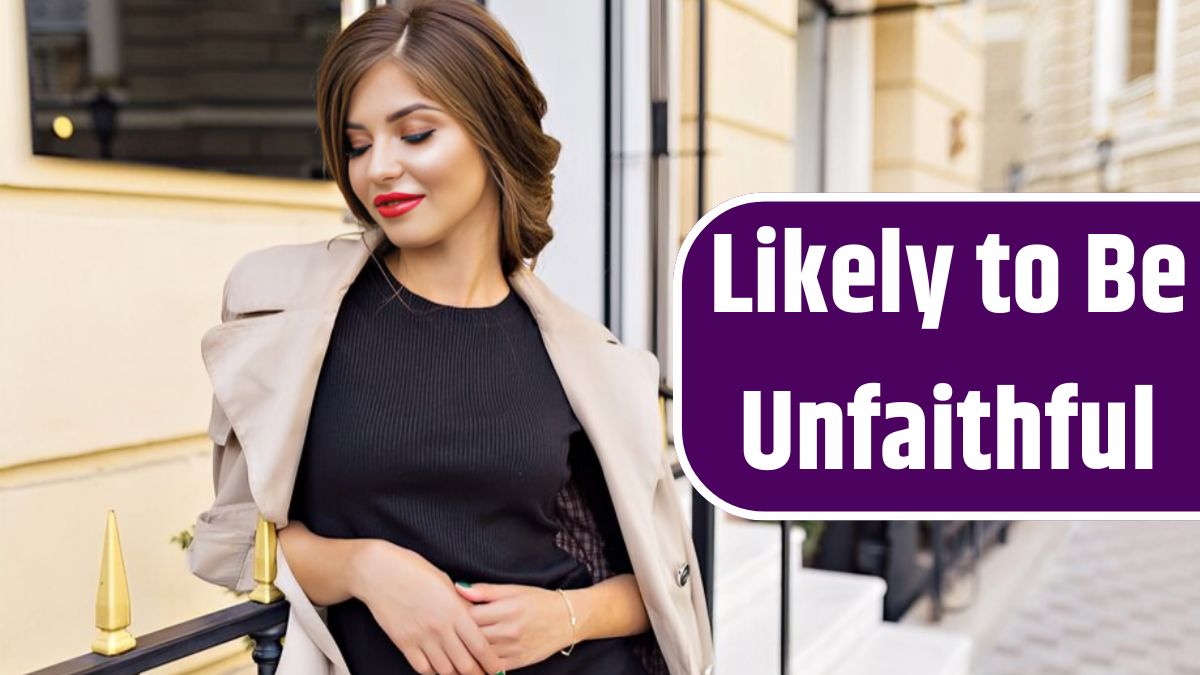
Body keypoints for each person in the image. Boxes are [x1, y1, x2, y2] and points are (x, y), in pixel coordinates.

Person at [186, 1, 713, 674]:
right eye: (357, 143)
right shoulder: (289, 312)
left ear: (491, 131)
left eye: (414, 133)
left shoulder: (594, 363)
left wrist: (562, 616)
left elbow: (662, 587)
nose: (377, 168)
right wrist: (365, 567)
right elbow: (236, 544)